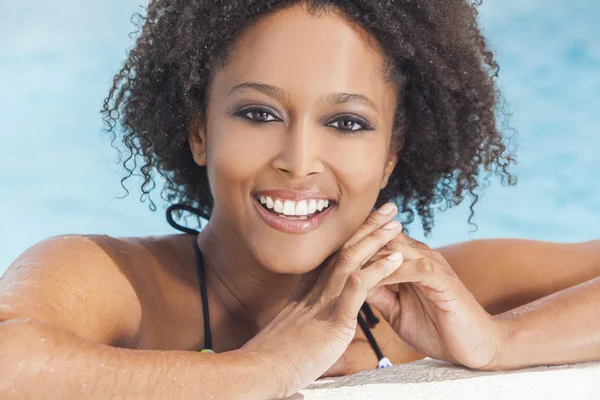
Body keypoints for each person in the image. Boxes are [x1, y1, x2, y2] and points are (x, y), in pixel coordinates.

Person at [1, 0, 599, 398]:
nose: (299, 159)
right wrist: (261, 369)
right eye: (258, 114)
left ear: (392, 152)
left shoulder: (438, 298)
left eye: (347, 123)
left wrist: (501, 342)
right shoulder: (120, 283)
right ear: (199, 131)